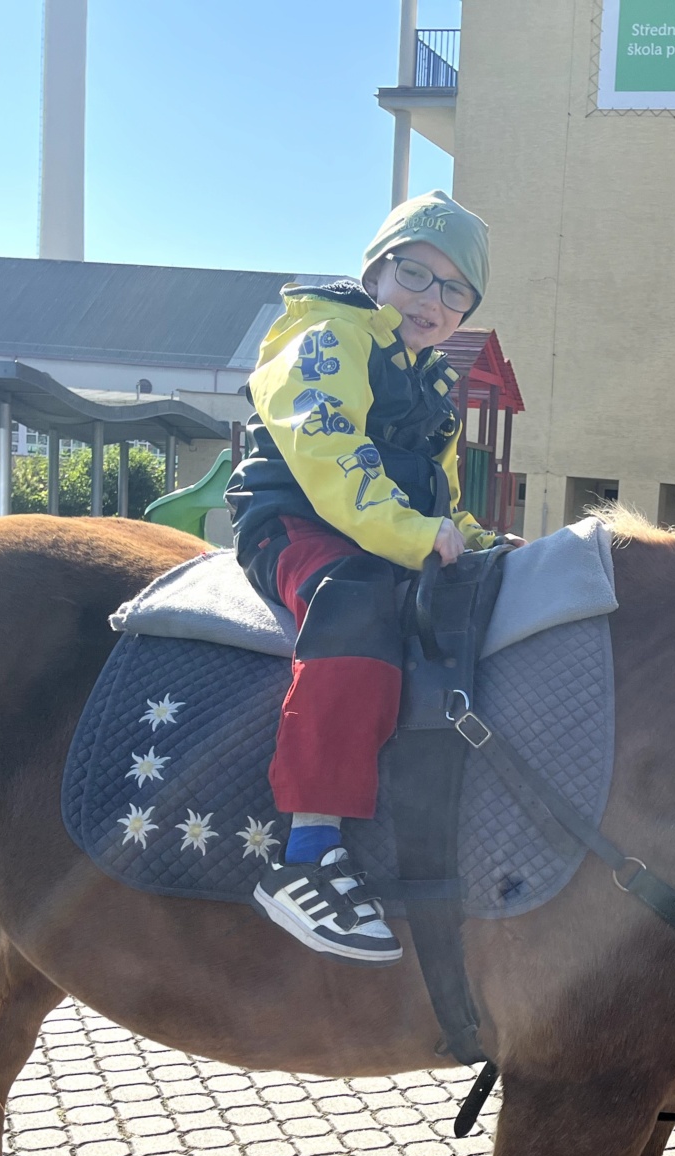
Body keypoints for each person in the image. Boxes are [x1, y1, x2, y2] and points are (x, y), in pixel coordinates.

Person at [227, 191, 510, 962]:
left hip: (378, 530)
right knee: (354, 606)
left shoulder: (433, 385)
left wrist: (481, 542)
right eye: (415, 274)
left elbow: (441, 498)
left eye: (455, 290)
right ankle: (307, 851)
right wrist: (414, 537)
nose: (431, 300)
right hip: (296, 518)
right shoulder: (328, 336)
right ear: (377, 271)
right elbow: (329, 458)